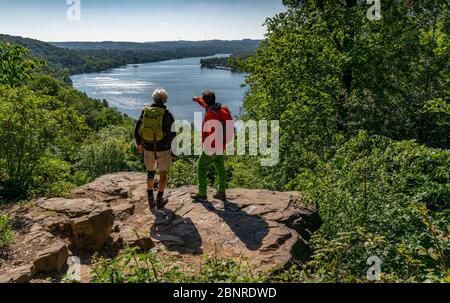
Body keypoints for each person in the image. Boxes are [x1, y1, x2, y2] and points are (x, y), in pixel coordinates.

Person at [135, 88, 176, 210]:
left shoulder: (146, 111)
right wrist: (174, 151)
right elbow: (172, 134)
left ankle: (150, 199)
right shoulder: (167, 114)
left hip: (147, 147)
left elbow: (137, 129)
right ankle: (159, 200)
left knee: (150, 172)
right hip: (163, 149)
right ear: (165, 100)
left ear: (153, 99)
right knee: (163, 174)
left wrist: (139, 144)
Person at [191, 90, 233, 201]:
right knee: (220, 167)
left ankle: (202, 193)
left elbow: (215, 133)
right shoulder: (219, 108)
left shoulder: (210, 114)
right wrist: (197, 100)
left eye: (202, 100)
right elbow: (206, 104)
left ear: (206, 102)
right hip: (221, 145)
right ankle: (221, 191)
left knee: (201, 167)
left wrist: (213, 148)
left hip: (212, 146)